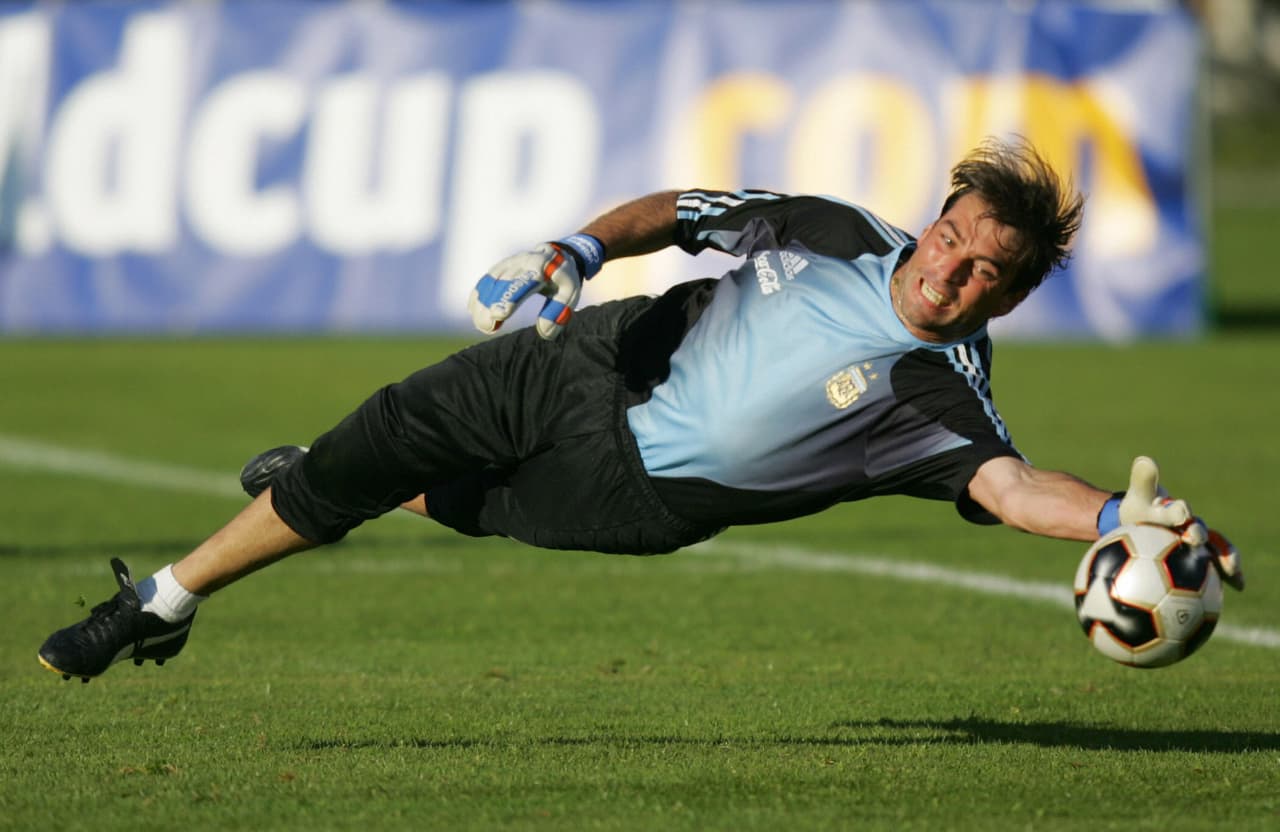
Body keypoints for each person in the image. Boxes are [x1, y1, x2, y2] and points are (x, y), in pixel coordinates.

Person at [37, 136, 1242, 682]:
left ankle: (359, 482)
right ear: (934, 218)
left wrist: (1117, 528)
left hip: (629, 494)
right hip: (588, 358)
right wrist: (575, 246)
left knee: (446, 495)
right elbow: (682, 210)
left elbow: (1008, 483)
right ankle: (162, 601)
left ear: (1015, 294)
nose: (950, 272)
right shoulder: (830, 229)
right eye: (952, 240)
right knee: (384, 428)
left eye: (987, 273)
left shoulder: (935, 391)